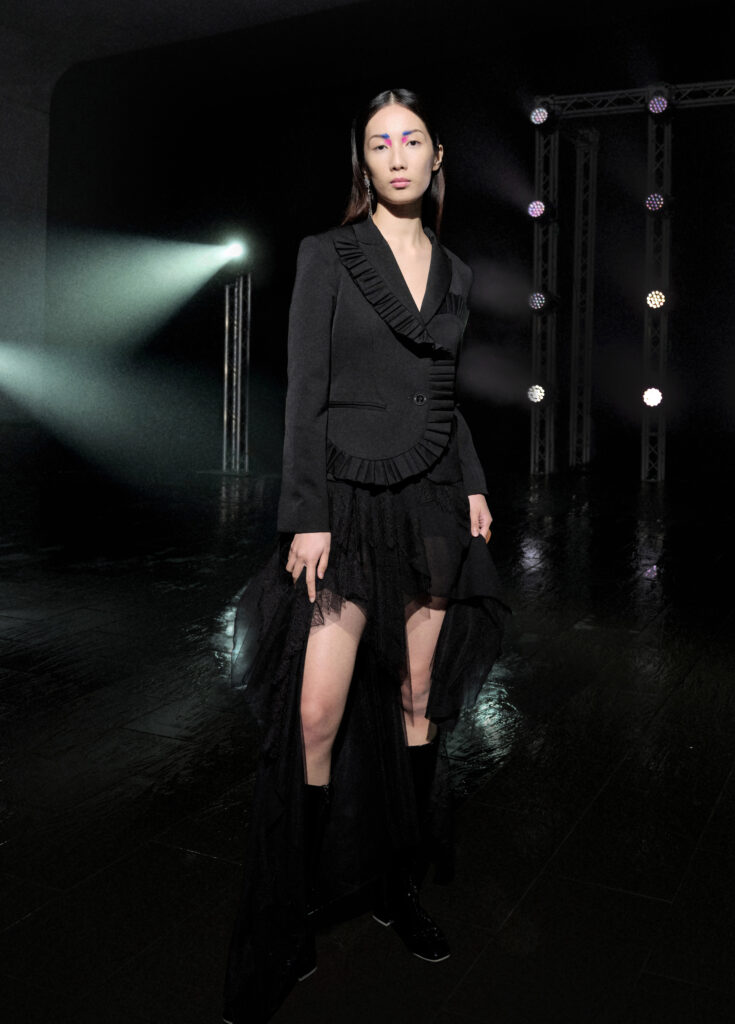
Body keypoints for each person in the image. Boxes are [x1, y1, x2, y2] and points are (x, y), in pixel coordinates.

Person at [223, 87, 508, 1024]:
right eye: (379, 142)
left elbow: (445, 391)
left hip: (431, 496)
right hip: (344, 499)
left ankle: (398, 884)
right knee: (316, 712)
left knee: (418, 701)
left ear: (436, 158)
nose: (396, 155)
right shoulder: (329, 254)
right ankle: (296, 912)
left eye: (411, 139)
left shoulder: (456, 271)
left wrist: (472, 482)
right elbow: (304, 388)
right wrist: (304, 514)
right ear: (366, 160)